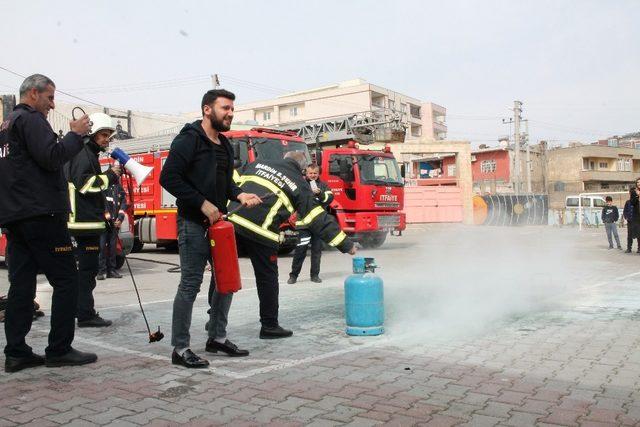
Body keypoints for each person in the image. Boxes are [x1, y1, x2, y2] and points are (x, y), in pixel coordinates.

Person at [0, 74, 97, 372]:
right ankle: (59, 349)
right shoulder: (29, 120)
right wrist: (75, 135)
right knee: (67, 280)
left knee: (21, 284)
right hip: (42, 215)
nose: (52, 105)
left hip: (16, 217)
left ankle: (16, 352)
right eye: (50, 98)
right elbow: (52, 157)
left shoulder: (6, 126)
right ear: (33, 94)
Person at [160, 89, 261, 368]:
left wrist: (239, 194)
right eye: (224, 108)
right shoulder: (189, 139)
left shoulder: (225, 145)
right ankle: (180, 349)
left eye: (232, 109)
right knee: (190, 285)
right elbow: (168, 177)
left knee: (225, 282)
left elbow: (224, 183)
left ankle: (216, 337)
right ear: (207, 110)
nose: (230, 113)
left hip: (219, 226)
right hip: (193, 223)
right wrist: (202, 203)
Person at [228, 151, 357, 339]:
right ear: (303, 169)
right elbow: (317, 218)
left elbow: (230, 178)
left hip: (231, 221)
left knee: (223, 272)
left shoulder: (259, 162)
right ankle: (269, 326)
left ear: (284, 158)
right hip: (260, 232)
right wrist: (346, 245)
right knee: (267, 279)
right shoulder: (299, 183)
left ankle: (214, 320)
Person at [65, 113, 121, 328]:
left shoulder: (85, 152)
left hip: (83, 222)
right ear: (91, 134)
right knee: (86, 274)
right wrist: (111, 176)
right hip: (83, 224)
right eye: (103, 134)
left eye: (108, 135)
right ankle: (85, 314)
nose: (107, 139)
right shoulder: (83, 152)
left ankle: (81, 311)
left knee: (83, 274)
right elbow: (85, 185)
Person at [288, 163, 334, 284]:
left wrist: (320, 194)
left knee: (317, 251)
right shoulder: (300, 184)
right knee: (300, 249)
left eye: (315, 173)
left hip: (318, 224)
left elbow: (329, 200)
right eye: (310, 173)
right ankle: (293, 275)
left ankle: (314, 275)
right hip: (304, 224)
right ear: (306, 173)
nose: (313, 175)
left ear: (318, 174)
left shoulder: (324, 186)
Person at [97, 181, 127, 280]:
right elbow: (101, 204)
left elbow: (123, 205)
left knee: (112, 247)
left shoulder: (119, 188)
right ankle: (101, 271)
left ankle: (111, 270)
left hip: (115, 224)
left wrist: (120, 219)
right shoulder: (103, 186)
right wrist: (108, 218)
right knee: (101, 247)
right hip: (104, 224)